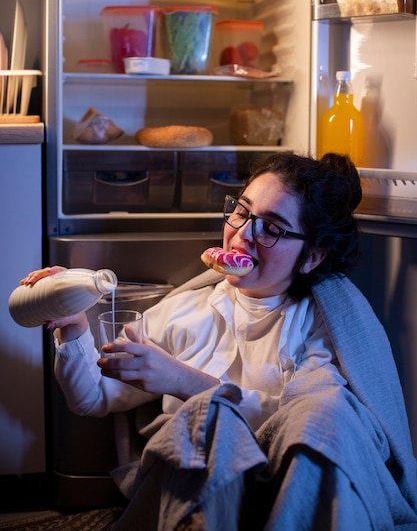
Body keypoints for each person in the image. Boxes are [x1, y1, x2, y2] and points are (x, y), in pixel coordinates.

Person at [23, 152, 417, 530]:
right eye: (242, 212)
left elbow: (319, 424)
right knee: (212, 422)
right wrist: (73, 324)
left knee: (325, 408)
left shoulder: (321, 329)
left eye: (272, 228)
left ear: (312, 257)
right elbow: (91, 396)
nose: (242, 235)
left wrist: (183, 381)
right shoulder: (185, 313)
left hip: (297, 494)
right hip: (211, 495)